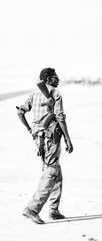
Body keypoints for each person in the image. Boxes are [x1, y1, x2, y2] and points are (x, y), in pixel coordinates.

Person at [17, 68, 73, 224]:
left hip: (39, 140)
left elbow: (20, 112)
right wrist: (68, 138)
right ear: (49, 79)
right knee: (51, 172)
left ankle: (53, 210)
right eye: (56, 77)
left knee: (57, 175)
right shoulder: (55, 94)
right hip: (51, 139)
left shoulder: (34, 95)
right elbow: (60, 117)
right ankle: (32, 209)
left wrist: (30, 129)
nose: (59, 80)